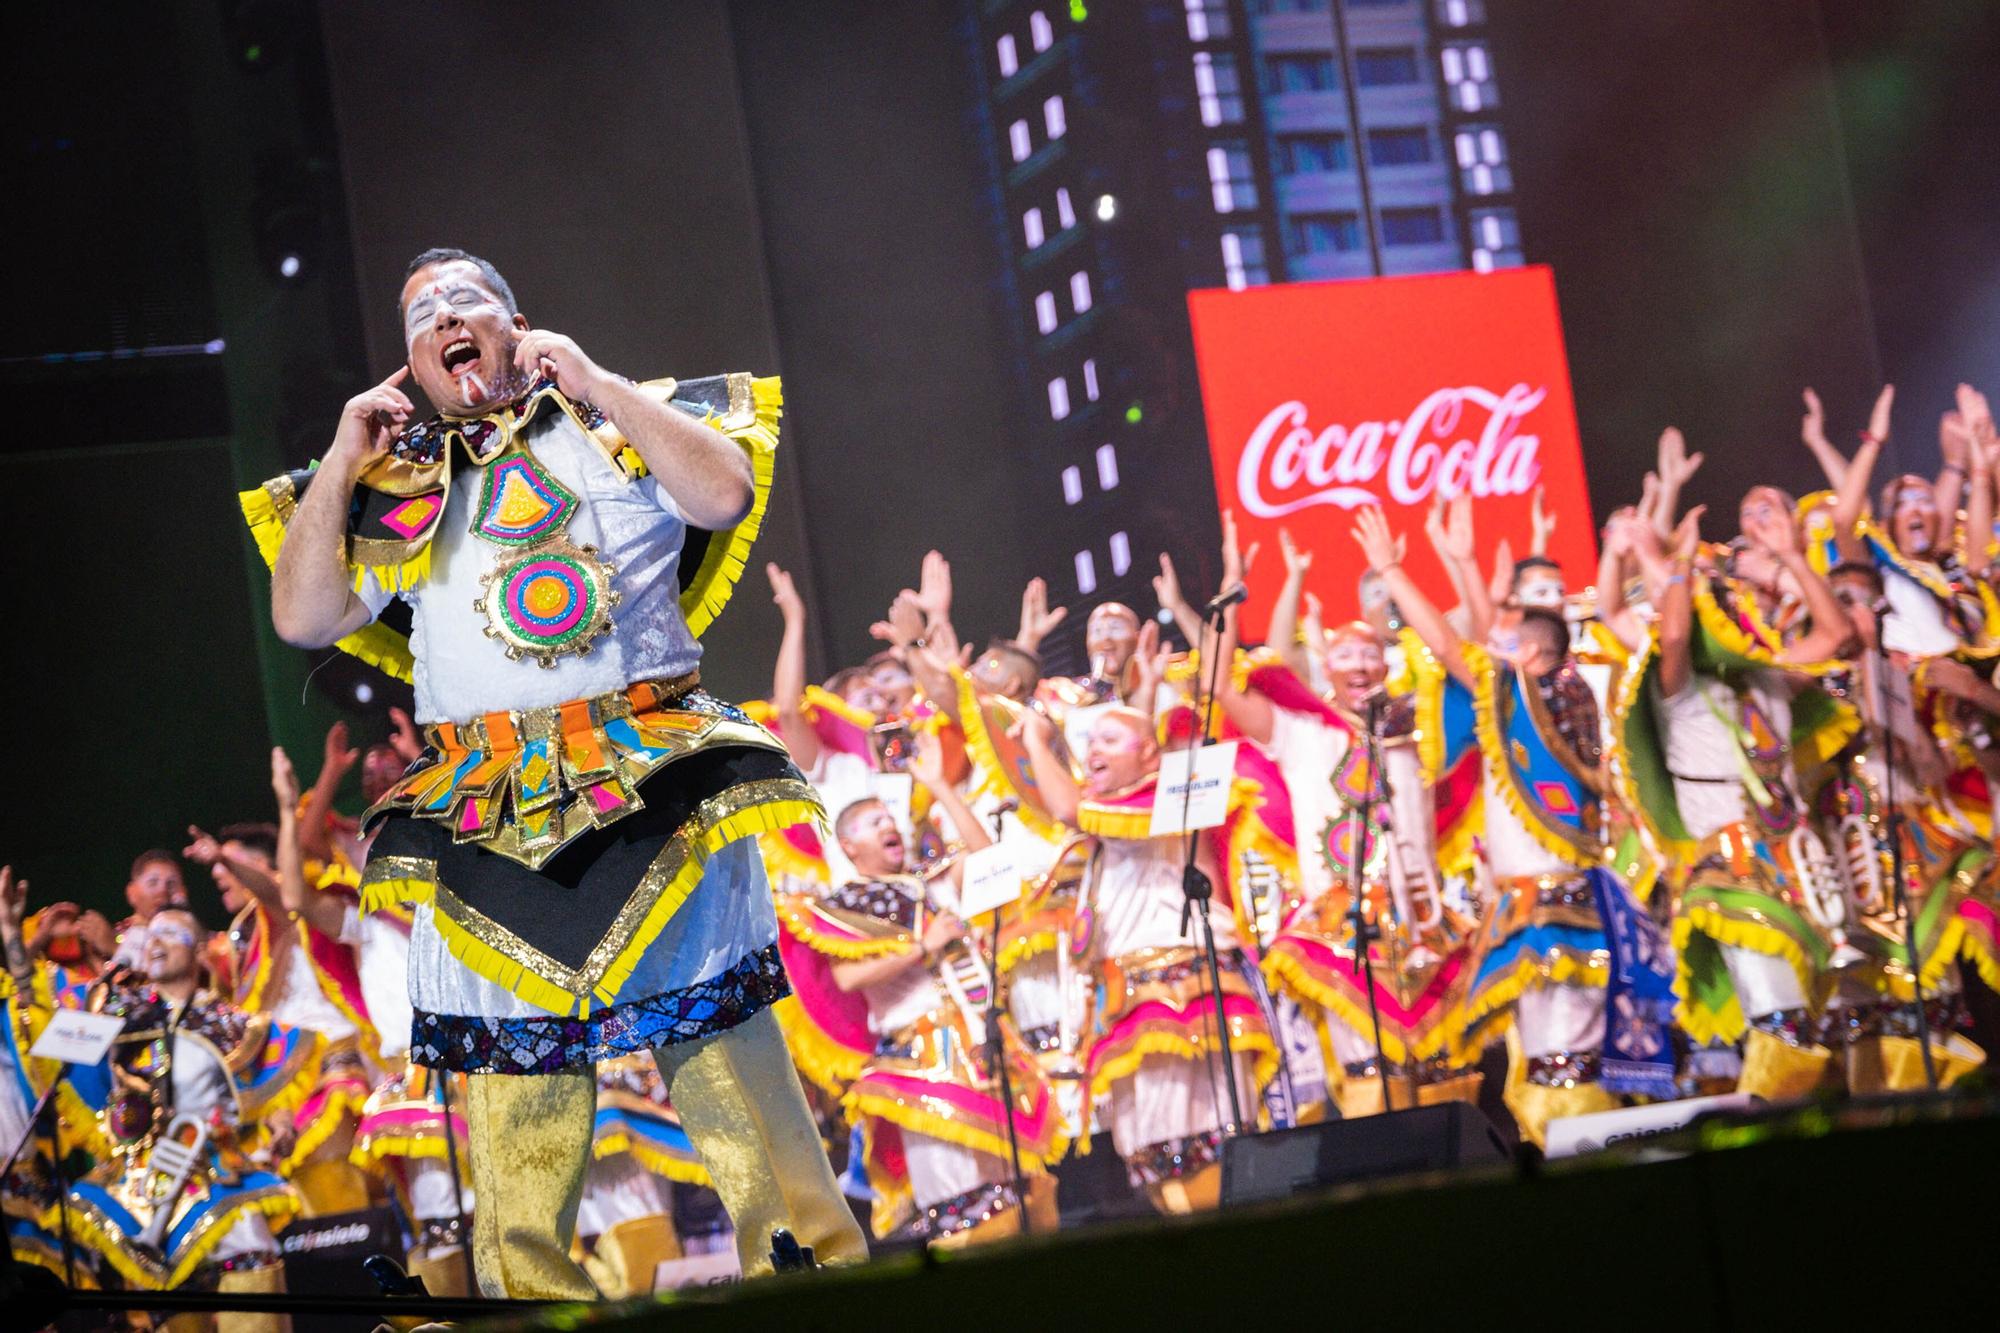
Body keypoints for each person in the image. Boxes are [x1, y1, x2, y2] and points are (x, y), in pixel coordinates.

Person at [240, 248, 861, 1294]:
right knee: (516, 1099)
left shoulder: (615, 424)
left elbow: (722, 492)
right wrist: (344, 458)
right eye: (419, 317)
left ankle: (809, 1286)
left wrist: (591, 378)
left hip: (647, 781)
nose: (442, 318)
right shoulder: (393, 492)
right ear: (414, 366)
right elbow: (301, 615)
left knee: (718, 1048)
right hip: (484, 803)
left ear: (514, 321)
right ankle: (536, 1307)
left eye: (462, 300)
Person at [1351, 506, 1669, 1146]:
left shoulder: (1535, 696)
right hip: (1545, 908)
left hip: (1549, 913)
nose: (1489, 652)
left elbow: (1445, 644)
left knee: (1562, 1070)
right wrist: (1465, 568)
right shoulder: (1557, 695)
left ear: (1529, 653)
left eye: (1504, 644)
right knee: (1551, 1065)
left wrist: (1392, 570)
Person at [786, 755, 1063, 1245]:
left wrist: (939, 784)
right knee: (960, 1191)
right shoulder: (847, 907)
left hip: (982, 1041)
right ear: (849, 846)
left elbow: (988, 861)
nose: (889, 824)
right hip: (922, 1057)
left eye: (890, 818)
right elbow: (848, 979)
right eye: (875, 823)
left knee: (1018, 1179)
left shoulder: (929, 881)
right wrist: (923, 946)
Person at [10, 895, 320, 1328]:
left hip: (214, 1173)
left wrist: (281, 1120)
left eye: (170, 934)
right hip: (145, 1187)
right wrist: (13, 941)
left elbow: (267, 1090)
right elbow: (45, 1030)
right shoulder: (117, 1014)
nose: (155, 943)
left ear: (198, 951)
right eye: (149, 935)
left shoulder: (231, 1023)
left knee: (251, 1261)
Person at [1020, 705, 1275, 1213]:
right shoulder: (1115, 815)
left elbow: (1067, 808)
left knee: (1199, 1145)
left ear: (1150, 754)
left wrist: (1033, 740)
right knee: (1153, 1153)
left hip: (1180, 993)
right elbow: (1052, 802)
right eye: (1090, 742)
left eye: (1110, 740)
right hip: (1132, 996)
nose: (1095, 750)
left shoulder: (1164, 798)